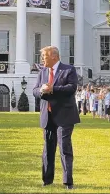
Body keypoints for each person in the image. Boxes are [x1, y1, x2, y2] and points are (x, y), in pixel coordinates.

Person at [33, 46, 79, 189]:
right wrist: (41, 90)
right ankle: (47, 180)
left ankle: (68, 181)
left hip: (64, 115)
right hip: (48, 115)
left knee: (64, 148)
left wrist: (53, 89)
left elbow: (72, 88)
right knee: (47, 149)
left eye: (44, 56)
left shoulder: (68, 70)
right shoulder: (42, 72)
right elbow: (34, 90)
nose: (42, 59)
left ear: (54, 56)